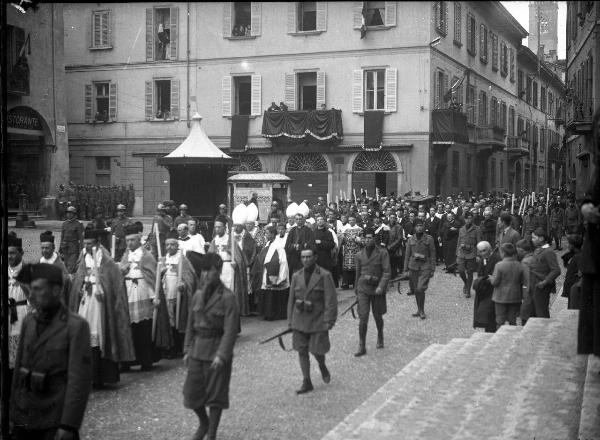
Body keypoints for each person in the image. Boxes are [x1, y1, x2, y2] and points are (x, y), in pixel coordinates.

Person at [10, 263, 92, 440]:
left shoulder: (76, 327)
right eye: (31, 289)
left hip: (54, 421)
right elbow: (18, 372)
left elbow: (79, 381)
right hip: (25, 417)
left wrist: (68, 425)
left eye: (38, 289)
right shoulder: (28, 322)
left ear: (56, 291)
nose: (31, 294)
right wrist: (12, 414)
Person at [69, 229, 136, 387]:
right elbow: (78, 279)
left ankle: (103, 376)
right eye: (84, 244)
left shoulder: (107, 262)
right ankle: (87, 377)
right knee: (85, 337)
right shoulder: (84, 259)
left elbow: (117, 285)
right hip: (86, 302)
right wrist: (81, 287)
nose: (86, 247)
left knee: (100, 336)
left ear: (98, 244)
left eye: (90, 244)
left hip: (101, 306)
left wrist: (104, 292)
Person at [183, 253, 239, 440]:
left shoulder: (228, 297)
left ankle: (212, 434)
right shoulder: (198, 295)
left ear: (219, 272)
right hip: (198, 350)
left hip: (216, 351)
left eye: (210, 270)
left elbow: (230, 330)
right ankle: (204, 423)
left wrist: (222, 355)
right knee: (191, 394)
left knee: (216, 395)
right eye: (204, 270)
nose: (206, 274)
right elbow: (190, 324)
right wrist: (187, 349)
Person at [119, 224, 171, 371]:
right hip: (128, 293)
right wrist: (122, 271)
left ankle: (145, 360)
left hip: (143, 292)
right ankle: (127, 361)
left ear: (139, 239)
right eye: (127, 240)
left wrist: (154, 295)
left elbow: (152, 277)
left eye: (132, 240)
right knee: (128, 328)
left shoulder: (146, 256)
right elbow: (119, 275)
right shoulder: (125, 255)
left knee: (143, 328)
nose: (129, 243)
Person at [287, 248, 337, 394]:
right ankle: (306, 381)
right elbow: (291, 300)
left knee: (316, 350)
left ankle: (322, 365)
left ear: (315, 257)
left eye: (309, 257)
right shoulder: (296, 275)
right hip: (299, 319)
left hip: (317, 320)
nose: (306, 260)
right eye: (303, 257)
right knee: (302, 351)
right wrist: (290, 320)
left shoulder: (324, 275)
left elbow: (331, 300)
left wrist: (329, 320)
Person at [353, 228, 391, 356]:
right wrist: (356, 291)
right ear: (363, 239)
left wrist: (381, 286)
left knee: (377, 315)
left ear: (374, 238)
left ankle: (380, 334)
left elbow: (386, 272)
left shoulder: (382, 252)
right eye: (365, 238)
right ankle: (361, 345)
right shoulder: (359, 255)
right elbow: (357, 274)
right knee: (363, 317)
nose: (368, 240)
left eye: (370, 237)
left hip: (377, 289)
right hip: (363, 289)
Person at [161, 230, 196, 358]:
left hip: (178, 295)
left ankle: (180, 347)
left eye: (172, 245)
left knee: (178, 321)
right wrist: (160, 272)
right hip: (166, 293)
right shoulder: (163, 259)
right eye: (167, 245)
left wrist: (184, 284)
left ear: (177, 246)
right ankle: (169, 347)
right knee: (168, 322)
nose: (169, 247)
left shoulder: (183, 260)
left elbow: (190, 276)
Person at [209, 219, 249, 318]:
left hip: (228, 267)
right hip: (218, 268)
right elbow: (210, 255)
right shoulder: (214, 240)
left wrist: (236, 262)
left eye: (219, 227)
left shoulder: (230, 239)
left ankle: (231, 310)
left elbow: (238, 255)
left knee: (229, 288)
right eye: (216, 227)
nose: (217, 229)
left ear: (224, 227)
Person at [7, 233, 31, 394]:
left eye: (13, 253)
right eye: (7, 253)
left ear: (21, 253)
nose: (9, 256)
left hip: (22, 314)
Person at [253, 225, 290, 320]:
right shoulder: (268, 243)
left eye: (267, 233)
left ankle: (275, 314)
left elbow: (282, 260)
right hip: (266, 271)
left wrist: (281, 276)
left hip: (275, 272)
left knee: (274, 294)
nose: (265, 235)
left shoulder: (278, 245)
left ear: (273, 234)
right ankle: (267, 313)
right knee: (267, 293)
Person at [403, 219, 436, 319]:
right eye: (417, 226)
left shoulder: (429, 239)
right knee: (417, 290)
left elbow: (433, 254)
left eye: (421, 225)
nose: (419, 227)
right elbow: (407, 255)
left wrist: (432, 269)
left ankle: (421, 310)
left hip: (425, 267)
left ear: (424, 227)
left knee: (420, 288)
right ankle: (419, 309)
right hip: (413, 267)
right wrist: (405, 270)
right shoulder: (410, 239)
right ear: (414, 228)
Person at [489, 243, 526, 329]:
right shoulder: (519, 265)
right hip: (515, 296)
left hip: (501, 297)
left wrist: (491, 278)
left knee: (500, 320)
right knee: (512, 320)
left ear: (503, 253)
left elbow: (495, 282)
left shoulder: (499, 265)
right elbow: (522, 280)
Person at [529, 228, 561, 318]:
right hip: (534, 285)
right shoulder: (538, 249)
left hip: (541, 287)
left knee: (541, 313)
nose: (532, 240)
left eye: (534, 238)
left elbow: (556, 270)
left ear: (541, 238)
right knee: (533, 312)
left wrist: (545, 282)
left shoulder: (548, 252)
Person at [473, 241, 502, 333]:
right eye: (480, 251)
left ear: (490, 249)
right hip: (484, 289)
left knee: (489, 312)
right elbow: (480, 272)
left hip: (493, 289)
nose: (482, 253)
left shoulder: (497, 259)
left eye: (484, 251)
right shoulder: (482, 259)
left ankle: (492, 332)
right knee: (485, 313)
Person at [39, 231, 71, 306]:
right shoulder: (41, 261)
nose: (44, 251)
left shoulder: (59, 264)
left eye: (47, 248)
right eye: (42, 248)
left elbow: (66, 281)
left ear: (53, 248)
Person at [456, 212, 481, 298]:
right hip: (462, 253)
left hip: (472, 252)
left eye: (470, 218)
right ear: (464, 219)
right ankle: (466, 283)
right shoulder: (461, 229)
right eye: (467, 218)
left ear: (472, 219)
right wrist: (457, 253)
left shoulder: (477, 229)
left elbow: (479, 242)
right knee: (460, 270)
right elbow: (459, 242)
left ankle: (468, 290)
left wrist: (478, 255)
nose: (468, 220)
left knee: (470, 272)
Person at [516, 238, 536, 325]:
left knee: (525, 315)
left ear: (522, 250)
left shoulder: (525, 262)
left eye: (518, 250)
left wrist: (526, 295)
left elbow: (528, 280)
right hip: (536, 292)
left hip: (528, 292)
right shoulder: (535, 256)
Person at [561, 234, 583, 309]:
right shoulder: (574, 255)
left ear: (573, 245)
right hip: (571, 288)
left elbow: (581, 273)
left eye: (569, 243)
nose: (567, 245)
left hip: (575, 289)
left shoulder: (579, 256)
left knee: (573, 309)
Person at [59, 206, 84, 274]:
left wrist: (82, 249)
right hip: (65, 247)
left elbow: (81, 238)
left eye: (70, 213)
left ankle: (70, 279)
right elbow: (62, 236)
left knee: (71, 265)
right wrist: (60, 249)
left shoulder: (78, 224)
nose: (68, 214)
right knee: (66, 264)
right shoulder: (64, 224)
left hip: (73, 248)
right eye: (67, 213)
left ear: (74, 214)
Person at [340, 216, 363, 289]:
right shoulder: (345, 229)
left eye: (352, 220)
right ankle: (346, 283)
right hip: (347, 251)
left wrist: (357, 239)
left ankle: (354, 283)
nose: (351, 222)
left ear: (355, 221)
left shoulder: (359, 229)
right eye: (349, 220)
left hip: (356, 250)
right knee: (346, 267)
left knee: (355, 267)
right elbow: (342, 241)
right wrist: (341, 238)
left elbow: (362, 241)